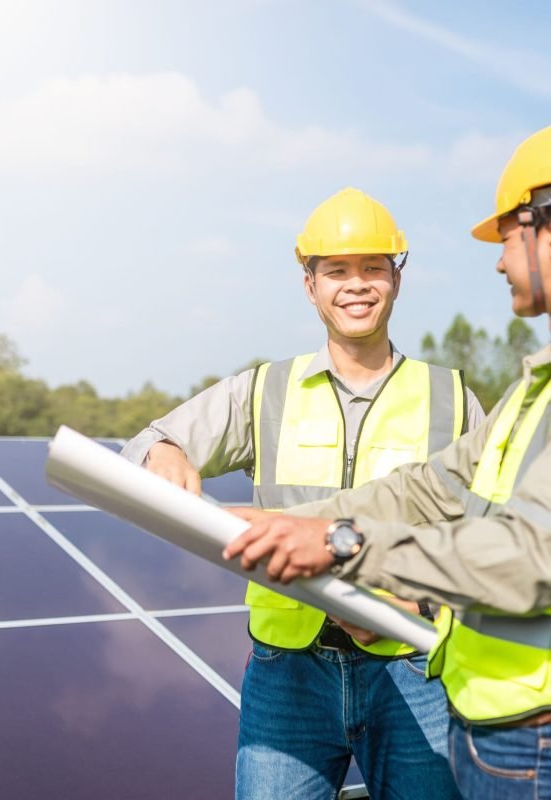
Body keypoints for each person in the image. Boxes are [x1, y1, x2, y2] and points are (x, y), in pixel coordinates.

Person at [122, 187, 483, 799]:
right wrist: (163, 452)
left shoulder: (451, 399)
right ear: (309, 284)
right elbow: (151, 441)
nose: (357, 285)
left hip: (413, 671)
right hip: (287, 671)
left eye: (373, 268)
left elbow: (484, 538)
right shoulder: (264, 390)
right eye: (336, 270)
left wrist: (415, 602)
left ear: (398, 279)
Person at [223, 126, 551, 800]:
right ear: (308, 282)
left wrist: (343, 545)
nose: (497, 262)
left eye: (510, 236)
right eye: (336, 270)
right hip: (496, 723)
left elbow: (532, 554)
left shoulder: (463, 392)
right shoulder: (533, 392)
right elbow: (430, 488)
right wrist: (291, 527)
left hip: (531, 732)